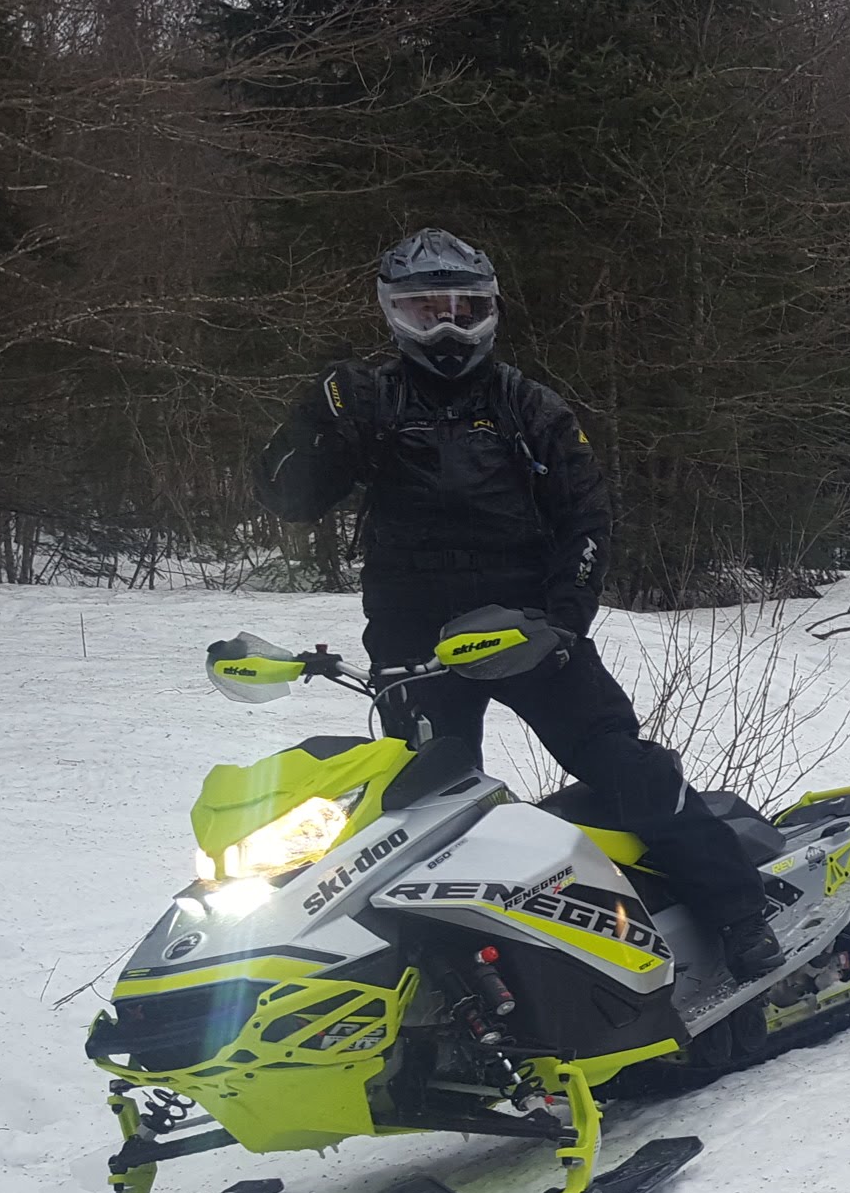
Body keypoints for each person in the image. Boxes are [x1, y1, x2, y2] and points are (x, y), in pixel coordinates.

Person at [253, 227, 785, 979]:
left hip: (528, 626)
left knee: (626, 767)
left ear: (491, 312)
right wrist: (316, 422)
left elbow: (587, 522)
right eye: (424, 309)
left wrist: (563, 621)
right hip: (416, 639)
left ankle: (739, 914)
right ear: (392, 314)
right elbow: (289, 498)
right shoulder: (369, 401)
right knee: (419, 817)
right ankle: (449, 980)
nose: (445, 326)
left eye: (463, 308)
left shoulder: (529, 406)